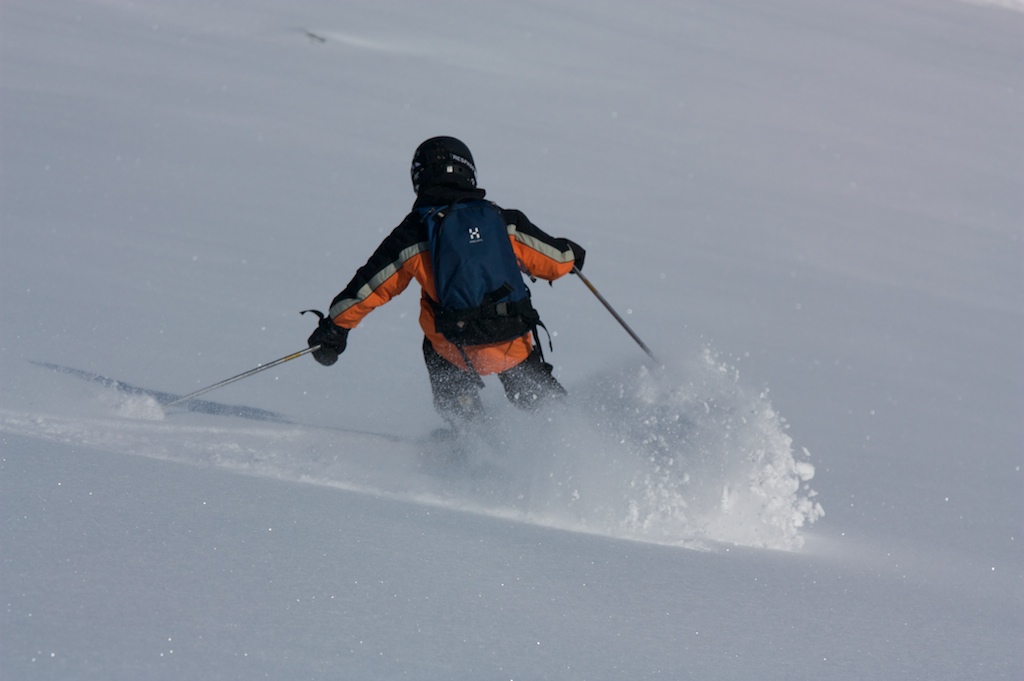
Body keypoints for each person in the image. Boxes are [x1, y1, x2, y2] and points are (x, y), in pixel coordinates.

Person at [307, 136, 585, 427]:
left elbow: (370, 287)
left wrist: (334, 329)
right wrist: (572, 254)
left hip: (454, 347)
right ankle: (574, 431)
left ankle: (468, 433)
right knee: (538, 396)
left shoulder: (415, 232)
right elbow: (555, 261)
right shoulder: (502, 220)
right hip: (510, 343)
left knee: (434, 344)